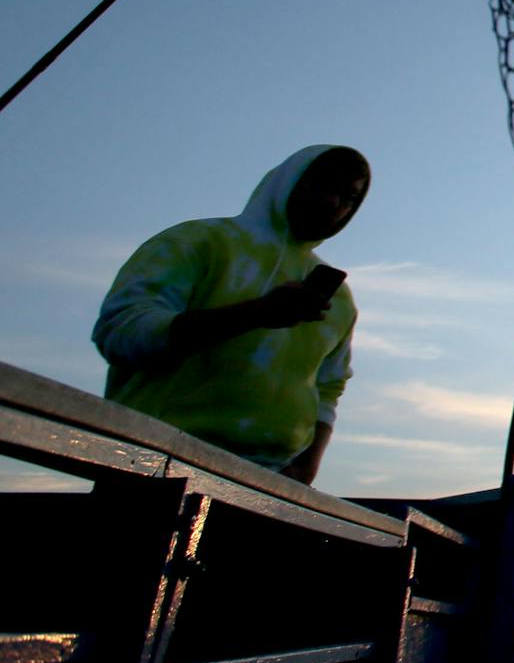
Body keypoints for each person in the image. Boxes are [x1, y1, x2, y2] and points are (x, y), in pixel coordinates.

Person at [93, 145, 369, 486]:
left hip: (270, 484)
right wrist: (256, 314)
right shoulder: (196, 242)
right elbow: (121, 333)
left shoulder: (338, 299)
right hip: (152, 462)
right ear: (287, 181)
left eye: (348, 197)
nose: (333, 202)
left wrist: (305, 469)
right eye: (324, 185)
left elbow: (329, 386)